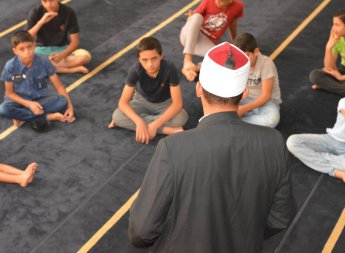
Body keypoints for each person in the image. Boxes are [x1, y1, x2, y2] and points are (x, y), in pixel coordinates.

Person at [128, 42, 297, 252]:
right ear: (244, 93)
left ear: (199, 89)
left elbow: (142, 232)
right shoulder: (274, 143)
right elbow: (280, 218)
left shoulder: (173, 148)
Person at [287, 82, 345, 185]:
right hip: (331, 139)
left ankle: (312, 157)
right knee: (293, 141)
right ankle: (334, 170)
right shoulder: (344, 102)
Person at [108, 37, 188, 144]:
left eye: (154, 58)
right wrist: (139, 122)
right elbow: (123, 102)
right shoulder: (135, 70)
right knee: (117, 116)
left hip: (164, 103)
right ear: (139, 59)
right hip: (141, 101)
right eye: (144, 60)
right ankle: (166, 130)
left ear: (161, 56)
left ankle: (147, 125)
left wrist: (154, 125)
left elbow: (177, 104)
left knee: (182, 117)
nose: (149, 64)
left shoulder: (170, 68)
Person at [0, 31, 75, 130]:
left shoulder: (44, 61)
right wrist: (29, 104)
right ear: (15, 51)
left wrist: (70, 107)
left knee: (62, 101)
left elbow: (60, 87)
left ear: (34, 45)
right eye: (21, 49)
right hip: (18, 101)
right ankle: (46, 116)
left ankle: (22, 116)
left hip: (38, 100)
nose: (27, 52)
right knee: (4, 109)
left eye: (29, 47)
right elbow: (9, 93)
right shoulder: (10, 66)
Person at [180, 0, 244, 81]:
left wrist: (235, 41)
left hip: (203, 42)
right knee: (197, 17)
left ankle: (192, 69)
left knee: (226, 57)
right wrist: (190, 17)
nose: (218, 3)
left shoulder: (237, 6)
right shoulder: (208, 1)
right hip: (188, 36)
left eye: (222, 2)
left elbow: (233, 24)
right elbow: (194, 19)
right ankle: (187, 60)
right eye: (217, 1)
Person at [27, 0, 91, 74]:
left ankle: (46, 66)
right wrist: (41, 22)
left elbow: (75, 42)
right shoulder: (35, 12)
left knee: (85, 57)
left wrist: (62, 55)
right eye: (44, 1)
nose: (48, 5)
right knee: (23, 58)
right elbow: (25, 39)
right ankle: (69, 70)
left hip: (61, 48)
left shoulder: (69, 12)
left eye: (52, 1)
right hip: (41, 50)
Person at [234, 32, 282, 128]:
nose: (243, 60)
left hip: (266, 102)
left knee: (271, 120)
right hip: (245, 99)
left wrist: (243, 109)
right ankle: (241, 121)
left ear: (255, 52)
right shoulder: (237, 62)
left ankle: (236, 122)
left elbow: (266, 96)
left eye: (247, 55)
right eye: (240, 56)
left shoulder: (266, 64)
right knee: (219, 103)